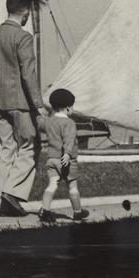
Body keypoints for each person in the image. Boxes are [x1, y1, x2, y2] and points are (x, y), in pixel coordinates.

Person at [0, 0, 47, 216]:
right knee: (31, 146)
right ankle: (12, 193)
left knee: (4, 151)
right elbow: (28, 74)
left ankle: (3, 206)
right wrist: (39, 105)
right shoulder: (23, 37)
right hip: (21, 103)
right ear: (26, 13)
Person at [38, 88, 89, 223]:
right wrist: (67, 153)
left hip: (51, 159)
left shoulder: (49, 121)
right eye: (72, 107)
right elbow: (69, 139)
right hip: (66, 160)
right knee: (72, 186)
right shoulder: (69, 123)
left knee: (52, 184)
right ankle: (77, 212)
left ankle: (45, 210)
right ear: (67, 108)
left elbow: (39, 123)